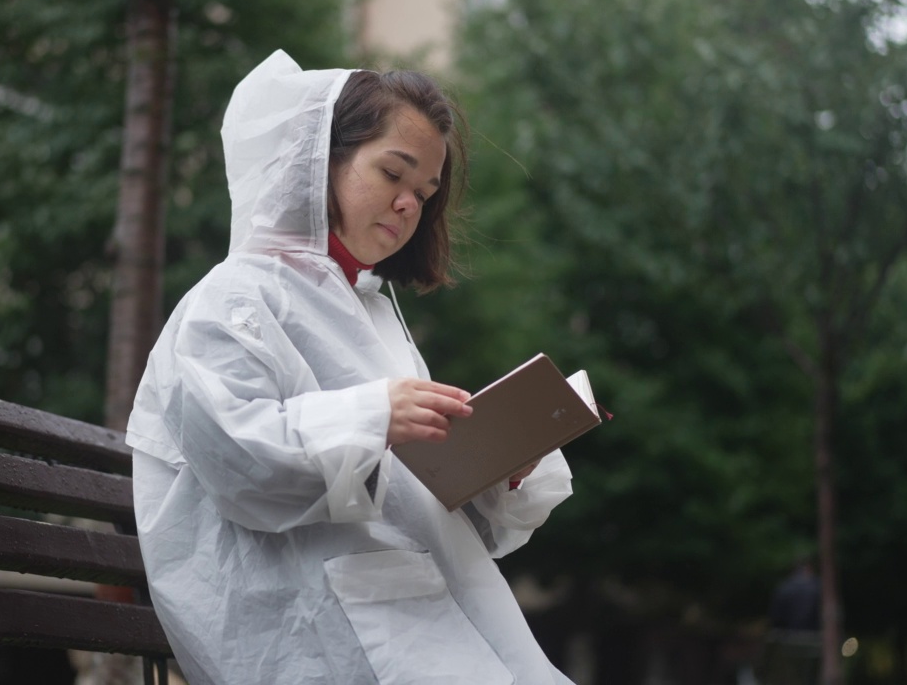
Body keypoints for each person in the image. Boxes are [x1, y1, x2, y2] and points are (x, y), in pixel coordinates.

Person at [127, 50, 575, 684]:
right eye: (393, 173)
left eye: (424, 192)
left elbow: (428, 506)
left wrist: (498, 469)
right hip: (313, 618)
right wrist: (375, 415)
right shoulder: (232, 297)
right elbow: (238, 462)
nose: (408, 205)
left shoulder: (366, 308)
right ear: (320, 159)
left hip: (415, 606)